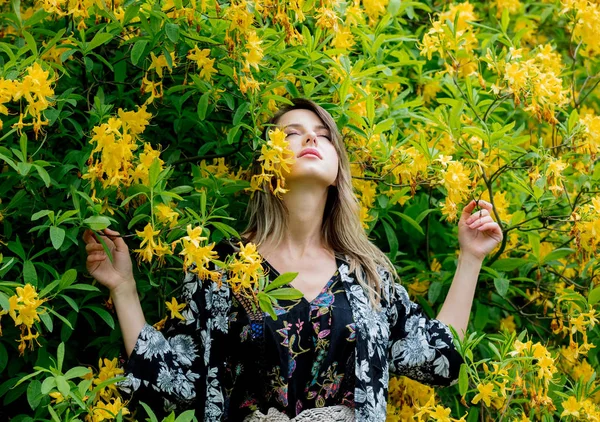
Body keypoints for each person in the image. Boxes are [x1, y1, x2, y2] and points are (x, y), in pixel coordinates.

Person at [83, 98, 503, 421]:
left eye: (322, 134)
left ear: (338, 168)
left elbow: (440, 358)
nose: (310, 139)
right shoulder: (222, 270)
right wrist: (124, 289)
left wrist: (470, 258)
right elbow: (169, 381)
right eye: (292, 133)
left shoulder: (368, 275)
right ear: (267, 165)